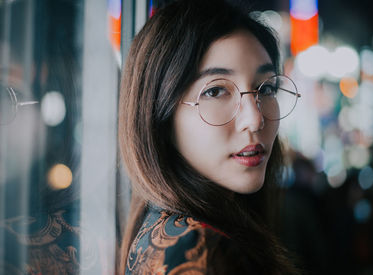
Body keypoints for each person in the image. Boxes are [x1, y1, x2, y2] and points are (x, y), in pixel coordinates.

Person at [118, 0, 301, 274]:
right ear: (160, 116)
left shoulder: (165, 229)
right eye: (215, 91)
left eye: (266, 88)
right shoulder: (200, 249)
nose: (255, 118)